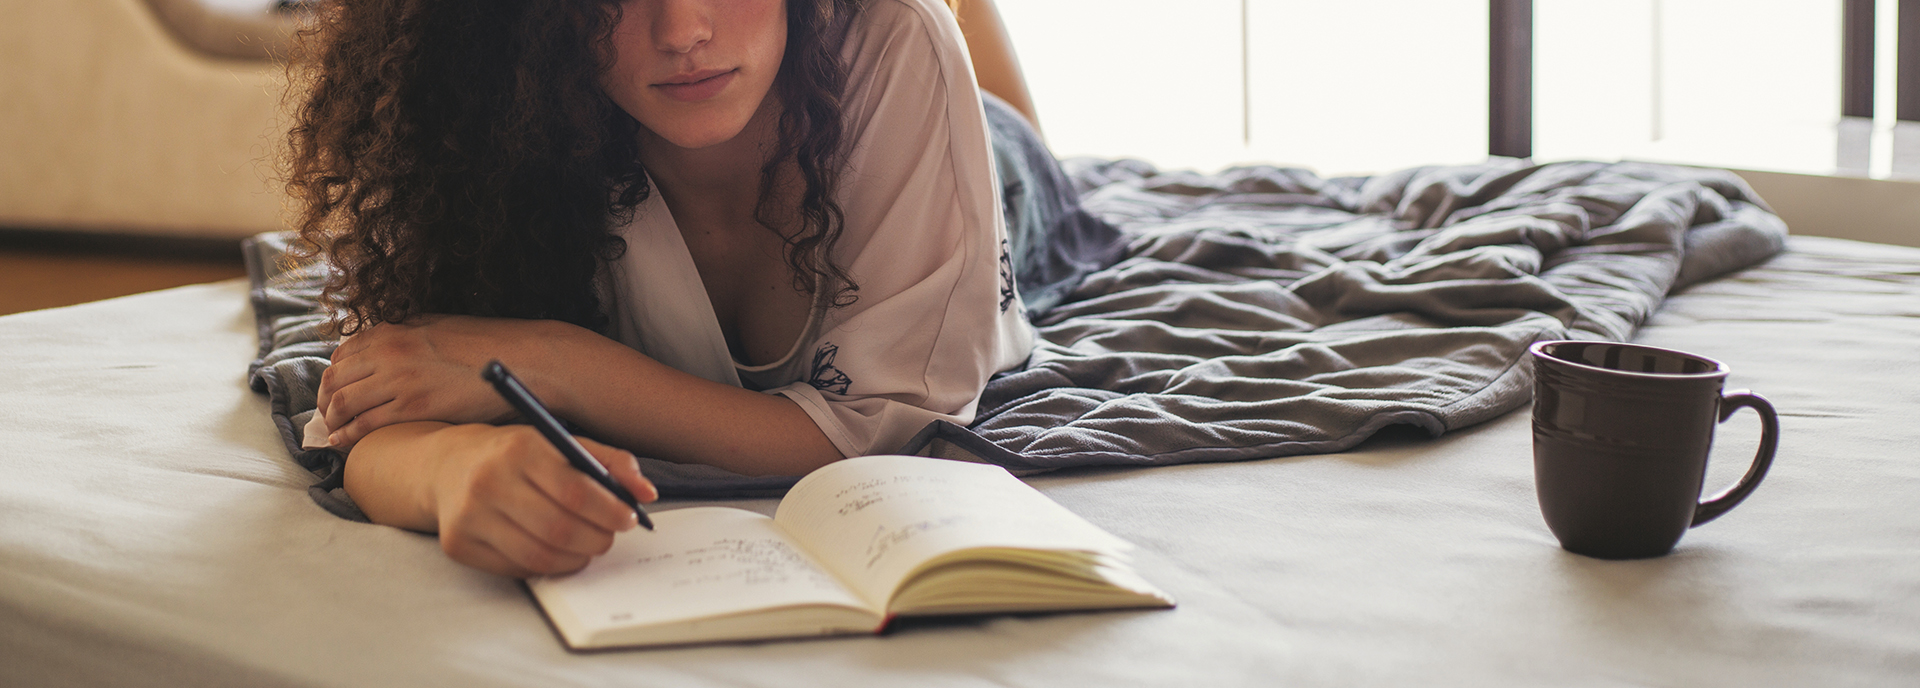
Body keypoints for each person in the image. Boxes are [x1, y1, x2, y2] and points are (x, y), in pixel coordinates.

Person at [283, 0, 1110, 578]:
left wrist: (551, 361)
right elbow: (372, 413)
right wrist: (453, 469)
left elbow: (886, 427)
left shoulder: (895, 41)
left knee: (1010, 137)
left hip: (993, 171)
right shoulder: (490, 104)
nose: (682, 30)